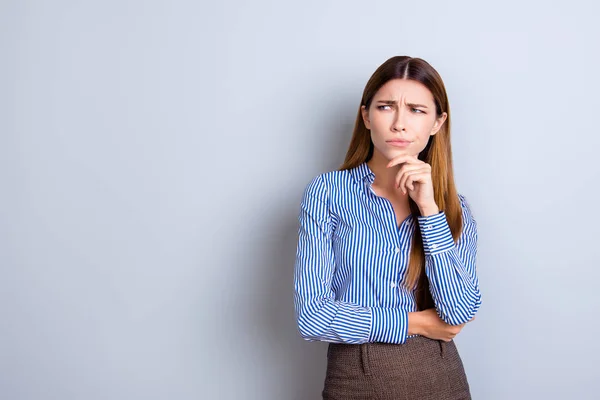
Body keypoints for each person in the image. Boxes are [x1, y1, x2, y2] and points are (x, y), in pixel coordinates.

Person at [293, 56, 482, 400]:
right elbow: (313, 315)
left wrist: (429, 210)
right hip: (355, 377)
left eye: (416, 110)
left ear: (438, 123)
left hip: (440, 377)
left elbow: (457, 314)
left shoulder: (454, 208)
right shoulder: (328, 192)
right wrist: (417, 323)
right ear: (366, 116)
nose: (399, 124)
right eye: (386, 107)